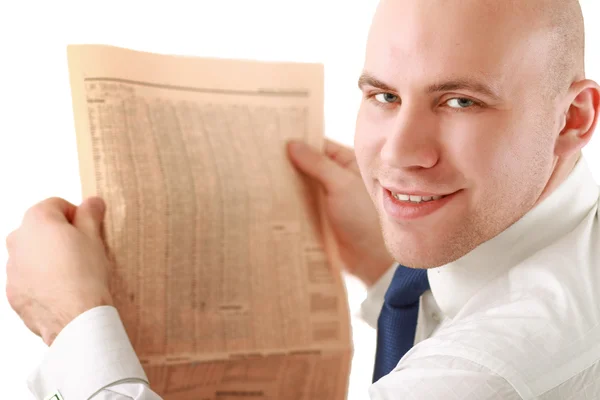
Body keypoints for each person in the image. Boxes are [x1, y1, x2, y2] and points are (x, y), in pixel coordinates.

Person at [5, 0, 600, 398]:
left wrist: (74, 324)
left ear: (573, 117)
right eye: (385, 96)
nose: (400, 153)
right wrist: (385, 272)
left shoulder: (488, 373)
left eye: (460, 102)